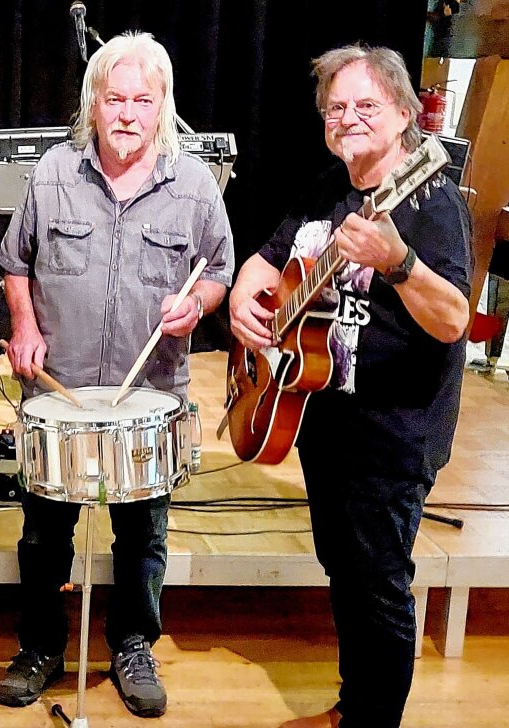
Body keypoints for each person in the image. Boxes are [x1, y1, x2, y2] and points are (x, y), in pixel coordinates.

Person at [229, 45, 472, 728]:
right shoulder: (329, 190)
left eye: (365, 105)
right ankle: (353, 705)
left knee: (381, 592)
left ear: (402, 114)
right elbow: (265, 260)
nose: (348, 118)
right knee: (345, 572)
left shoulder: (431, 201)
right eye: (336, 108)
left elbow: (455, 319)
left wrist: (398, 263)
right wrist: (247, 300)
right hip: (324, 422)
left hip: (393, 437)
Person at [0, 32, 234, 718]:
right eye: (116, 99)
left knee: (142, 535)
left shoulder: (192, 185)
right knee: (44, 533)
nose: (128, 113)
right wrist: (26, 325)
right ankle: (39, 646)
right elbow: (15, 262)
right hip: (61, 393)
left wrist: (197, 305)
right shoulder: (53, 173)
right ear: (93, 105)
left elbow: (218, 269)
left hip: (149, 395)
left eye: (143, 100)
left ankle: (133, 644)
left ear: (163, 107)